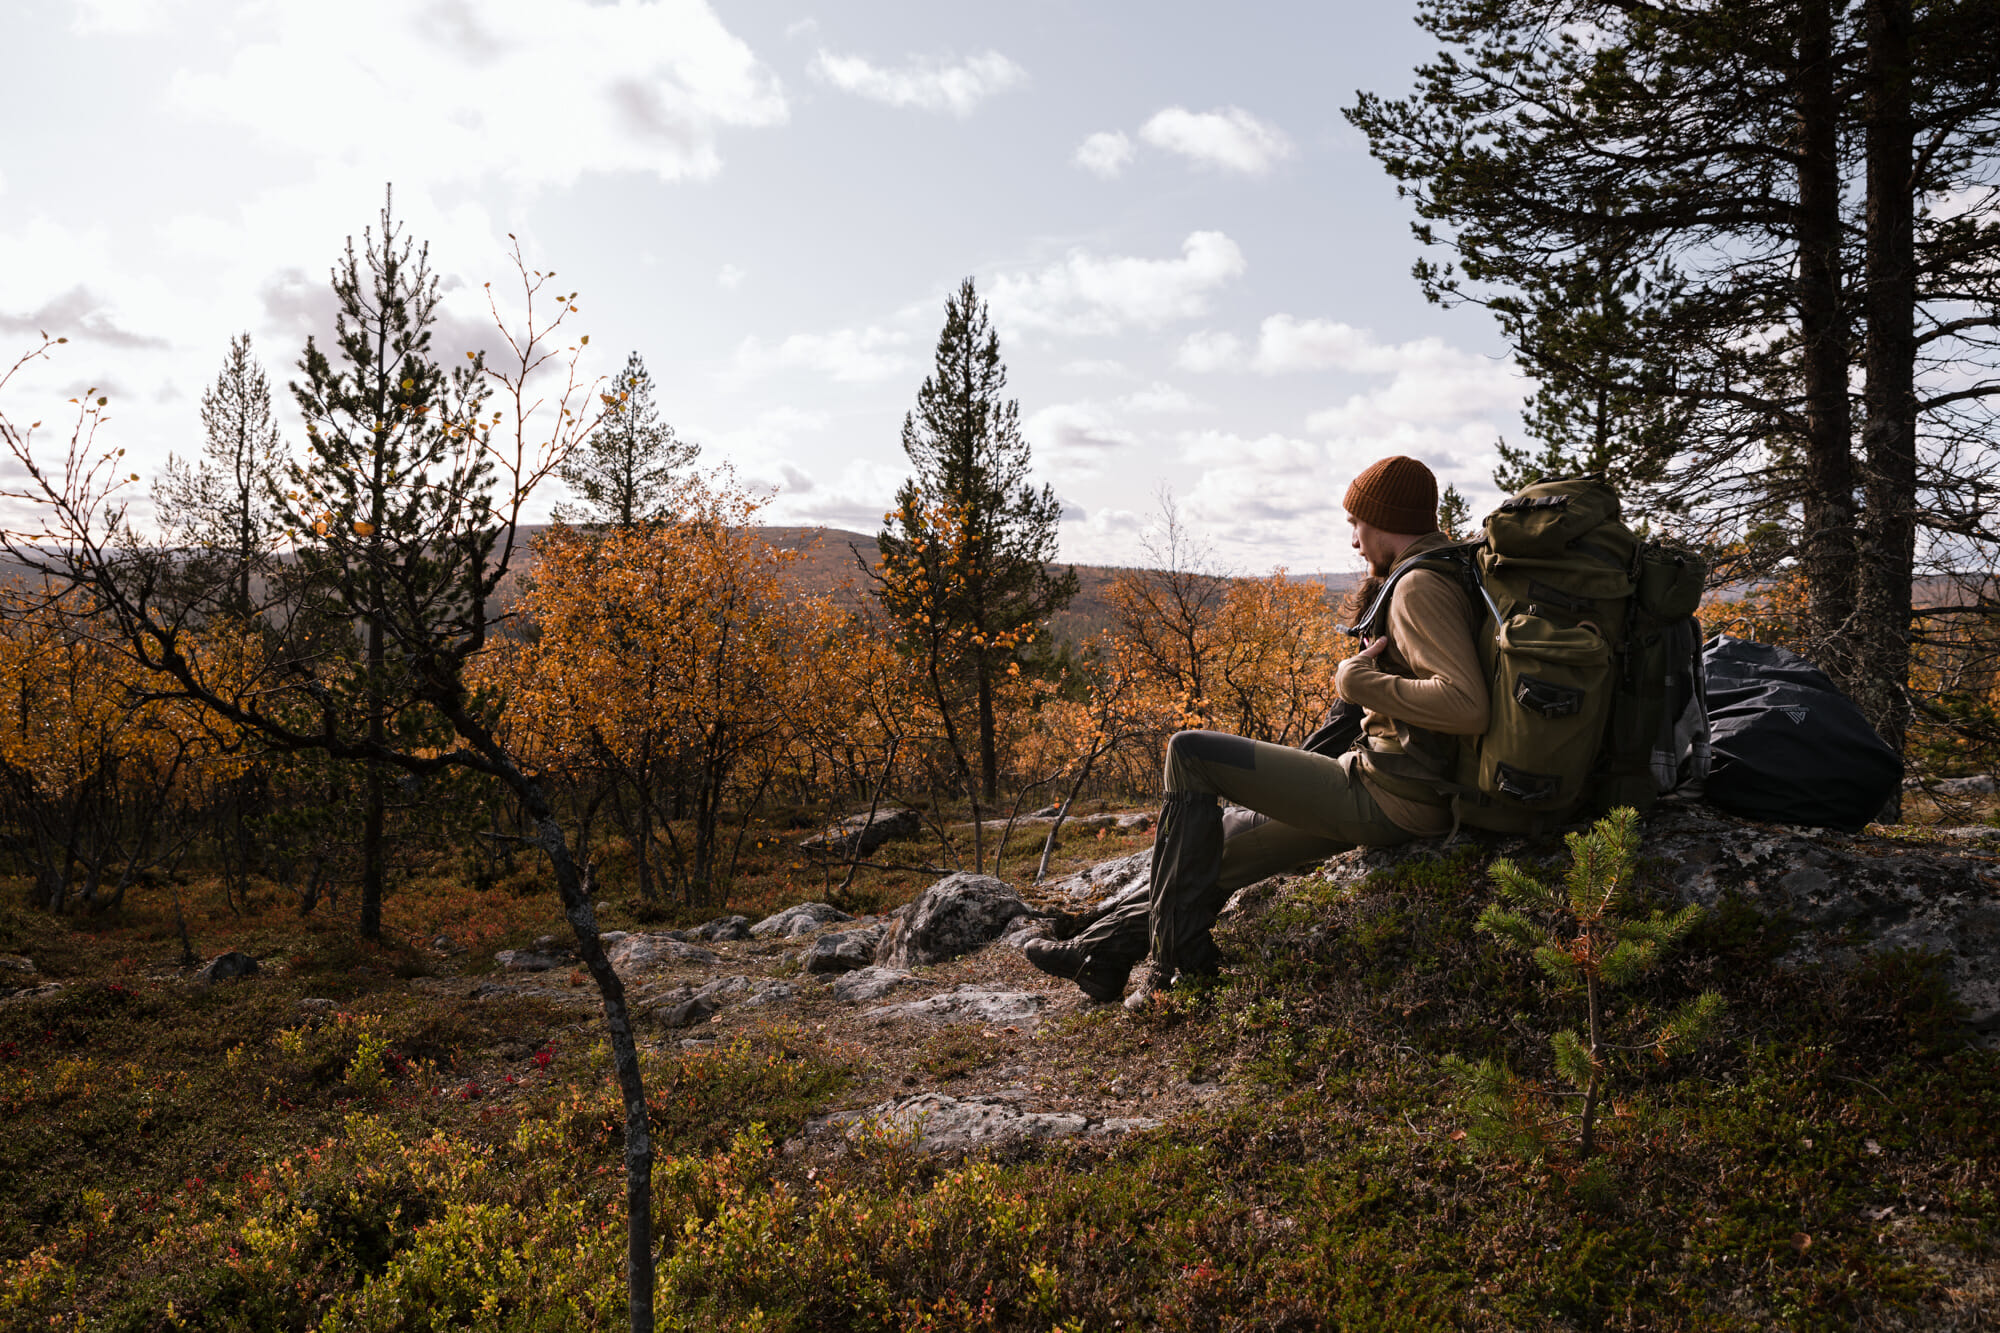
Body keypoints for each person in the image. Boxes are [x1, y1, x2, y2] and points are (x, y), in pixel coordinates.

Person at [1024, 455, 1489, 1009]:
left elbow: (1465, 705)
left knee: (1189, 751)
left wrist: (1356, 682)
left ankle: (1179, 965)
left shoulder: (1417, 587)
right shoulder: (1437, 570)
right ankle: (1102, 954)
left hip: (1393, 795)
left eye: (1355, 524)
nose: (1354, 541)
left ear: (1383, 517)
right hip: (1398, 786)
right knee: (1218, 841)